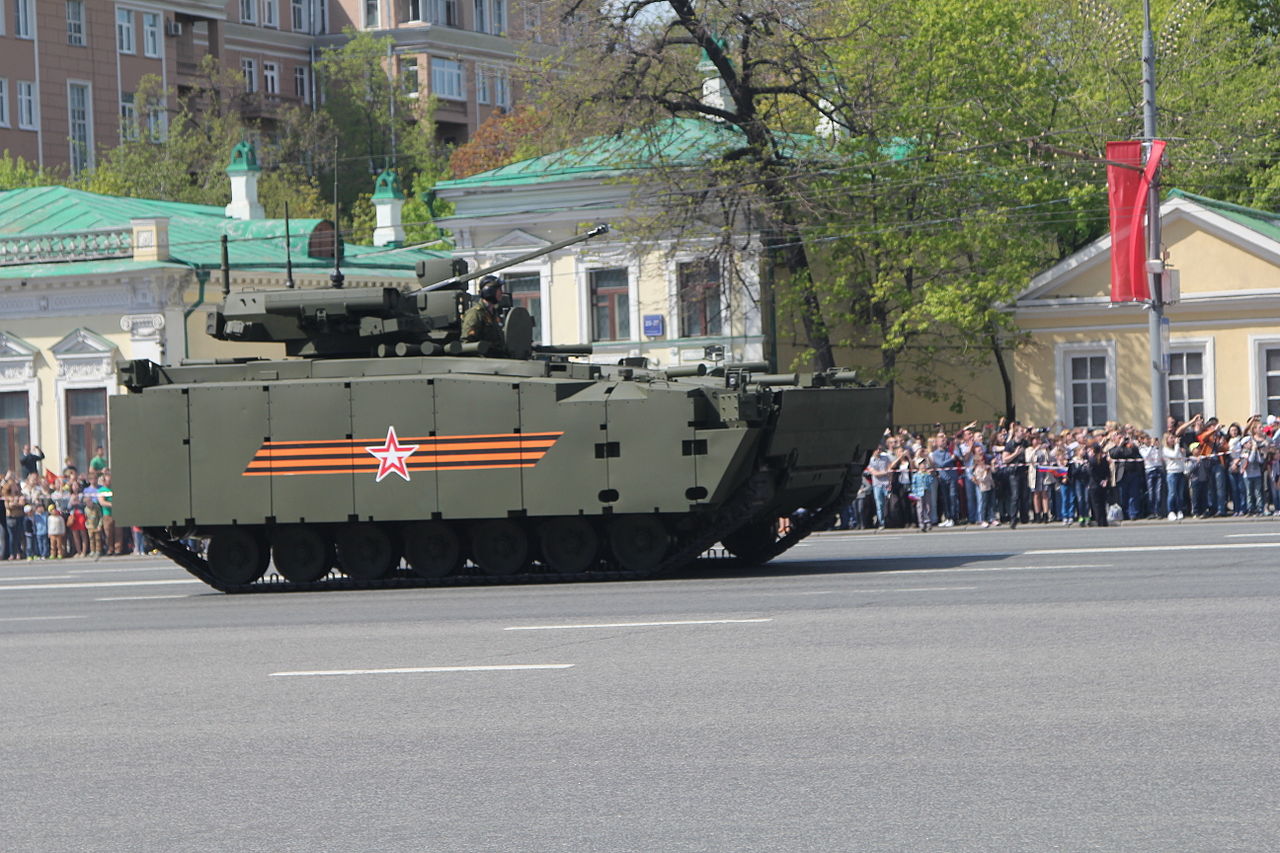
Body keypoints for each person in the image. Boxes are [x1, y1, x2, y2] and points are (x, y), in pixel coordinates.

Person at [460, 276, 508, 356]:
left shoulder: (494, 313)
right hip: (484, 361)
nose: (501, 293)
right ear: (489, 291)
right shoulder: (475, 314)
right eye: (499, 290)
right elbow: (467, 343)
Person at [1162, 431, 1188, 520]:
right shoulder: (1166, 449)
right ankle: (1171, 511)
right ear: (1167, 440)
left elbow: (1181, 459)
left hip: (1180, 472)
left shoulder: (1177, 448)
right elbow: (1175, 455)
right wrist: (1177, 445)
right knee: (1172, 493)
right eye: (1171, 438)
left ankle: (1179, 510)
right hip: (1172, 473)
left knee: (1180, 494)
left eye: (1173, 438)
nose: (1173, 440)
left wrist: (1183, 452)